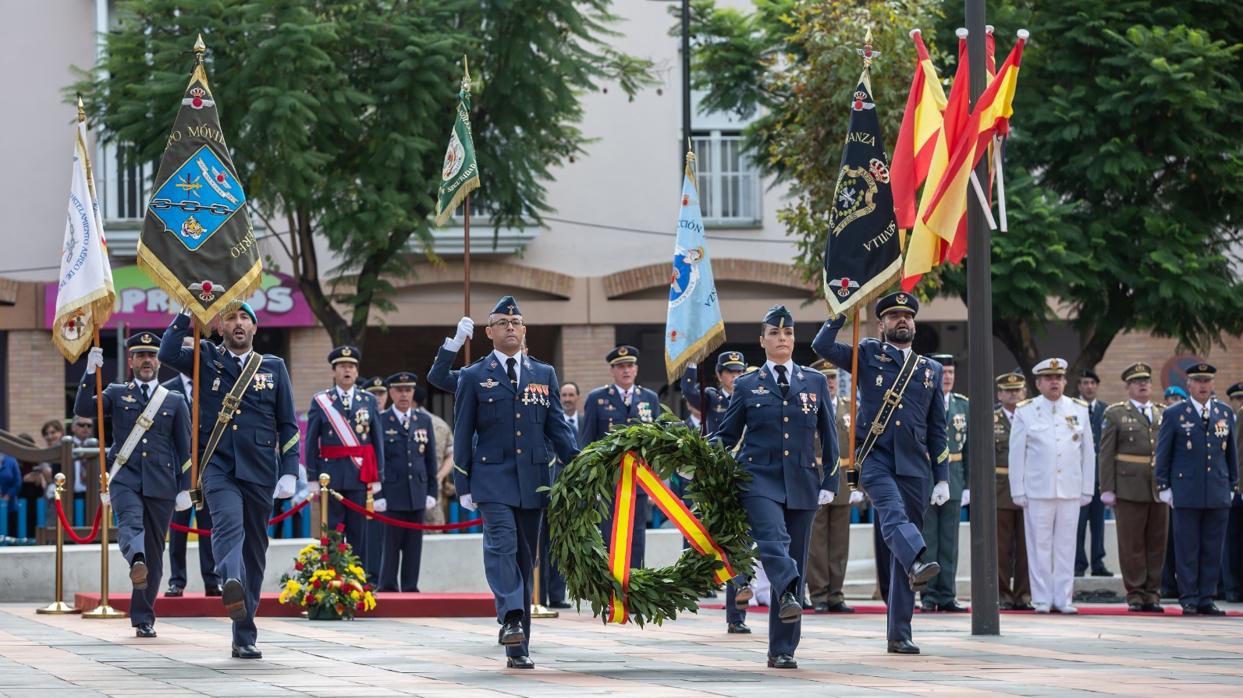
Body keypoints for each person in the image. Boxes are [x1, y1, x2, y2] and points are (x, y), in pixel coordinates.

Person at [159, 301, 300, 659]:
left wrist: (289, 469)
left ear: (255, 327)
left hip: (260, 468)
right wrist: (187, 313)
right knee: (227, 525)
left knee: (255, 549)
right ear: (219, 327)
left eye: (244, 318)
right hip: (217, 463)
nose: (238, 323)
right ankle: (230, 579)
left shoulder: (274, 366)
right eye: (231, 318)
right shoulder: (204, 356)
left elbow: (287, 423)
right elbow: (168, 351)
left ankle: (244, 633)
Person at [812, 292, 947, 655]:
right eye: (893, 316)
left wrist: (943, 476)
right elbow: (821, 344)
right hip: (874, 458)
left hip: (916, 466)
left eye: (907, 316)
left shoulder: (929, 369)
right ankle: (919, 556)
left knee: (900, 550)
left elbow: (937, 429)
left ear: (914, 323)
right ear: (882, 324)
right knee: (892, 514)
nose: (901, 321)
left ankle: (899, 632)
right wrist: (842, 313)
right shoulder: (867, 353)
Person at [452, 295, 579, 669]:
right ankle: (510, 616)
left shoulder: (544, 374)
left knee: (526, 559)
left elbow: (557, 426)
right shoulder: (474, 375)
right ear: (489, 332)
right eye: (502, 322)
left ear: (524, 331)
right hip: (491, 479)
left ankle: (517, 645)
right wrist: (463, 484)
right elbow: (463, 432)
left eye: (516, 322)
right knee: (502, 545)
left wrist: (579, 466)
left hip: (534, 481)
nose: (510, 327)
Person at [715, 305, 836, 669]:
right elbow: (727, 434)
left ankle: (782, 649)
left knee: (795, 557)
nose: (782, 339)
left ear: (793, 338)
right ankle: (787, 593)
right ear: (762, 340)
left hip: (802, 480)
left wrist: (830, 479)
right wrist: (695, 457)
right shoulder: (747, 384)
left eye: (787, 334)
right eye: (774, 333)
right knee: (772, 542)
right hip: (758, 478)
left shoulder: (813, 381)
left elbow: (828, 435)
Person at [75, 332, 192, 638]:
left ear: (158, 361)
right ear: (130, 361)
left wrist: (185, 487)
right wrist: (89, 372)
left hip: (163, 483)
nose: (146, 361)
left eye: (151, 356)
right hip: (124, 477)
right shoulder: (115, 391)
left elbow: (185, 449)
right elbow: (85, 410)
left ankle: (143, 618)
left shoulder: (175, 400)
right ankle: (134, 558)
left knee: (155, 553)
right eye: (140, 356)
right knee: (130, 524)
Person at [1009, 358, 1095, 614]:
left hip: (1070, 487)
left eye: (1058, 378)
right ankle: (1042, 598)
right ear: (1038, 383)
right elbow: (1016, 453)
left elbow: (1087, 452)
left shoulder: (1078, 408)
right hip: (1038, 488)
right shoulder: (1026, 410)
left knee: (1067, 545)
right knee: (1039, 546)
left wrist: (1087, 488)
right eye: (1048, 378)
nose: (1054, 382)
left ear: (1065, 381)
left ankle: (1063, 598)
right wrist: (1018, 489)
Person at [1155, 362, 1238, 615]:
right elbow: (1164, 453)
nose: (1203, 386)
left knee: (1212, 548)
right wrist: (1163, 485)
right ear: (1188, 385)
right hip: (1186, 490)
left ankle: (1206, 597)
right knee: (1187, 548)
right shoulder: (1174, 414)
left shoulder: (1224, 413)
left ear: (1213, 384)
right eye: (1198, 381)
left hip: (1217, 489)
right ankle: (1189, 597)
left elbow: (1231, 452)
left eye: (1207, 381)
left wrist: (1233, 482)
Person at [683, 351, 753, 630]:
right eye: (730, 372)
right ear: (720, 375)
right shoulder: (713, 398)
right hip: (717, 478)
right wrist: (691, 360)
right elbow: (690, 391)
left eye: (739, 372)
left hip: (745, 475)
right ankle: (701, 583)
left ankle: (737, 616)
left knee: (742, 542)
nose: (735, 377)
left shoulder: (753, 394)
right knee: (713, 537)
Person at [581, 345, 662, 568]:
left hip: (639, 480)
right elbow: (588, 443)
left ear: (636, 369)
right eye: (620, 366)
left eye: (630, 366)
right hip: (609, 481)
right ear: (612, 370)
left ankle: (635, 590)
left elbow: (655, 445)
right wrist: (591, 483)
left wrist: (655, 483)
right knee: (611, 536)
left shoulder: (649, 398)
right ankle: (613, 593)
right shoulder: (597, 398)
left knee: (637, 538)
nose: (626, 370)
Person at [305, 346, 386, 567]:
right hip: (328, 476)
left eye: (351, 366)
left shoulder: (368, 400)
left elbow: (376, 440)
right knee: (331, 530)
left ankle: (358, 580)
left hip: (359, 474)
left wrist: (378, 476)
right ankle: (331, 577)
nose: (347, 370)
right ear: (334, 371)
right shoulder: (321, 400)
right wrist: (312, 476)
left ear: (357, 372)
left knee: (359, 531)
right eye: (342, 366)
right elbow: (311, 441)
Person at [1099, 362, 1166, 612]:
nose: (1143, 385)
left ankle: (1153, 593)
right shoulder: (1115, 413)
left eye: (1146, 381)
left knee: (1157, 543)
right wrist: (1107, 487)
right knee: (1132, 544)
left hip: (1157, 487)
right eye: (1137, 382)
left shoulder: (1162, 412)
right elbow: (1106, 454)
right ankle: (1136, 593)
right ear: (1128, 387)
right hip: (1128, 487)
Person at [162, 351, 222, 598]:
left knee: (209, 527)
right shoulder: (167, 389)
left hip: (208, 466)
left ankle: (212, 579)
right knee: (178, 528)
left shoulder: (214, 386)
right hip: (179, 469)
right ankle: (177, 580)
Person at [806, 357, 863, 614]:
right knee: (817, 541)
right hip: (816, 477)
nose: (829, 383)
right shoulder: (809, 407)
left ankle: (835, 594)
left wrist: (856, 485)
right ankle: (818, 593)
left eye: (832, 378)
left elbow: (857, 448)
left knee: (840, 541)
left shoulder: (850, 407)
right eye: (825, 378)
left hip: (842, 479)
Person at [378, 372, 438, 592]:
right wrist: (378, 494)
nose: (404, 394)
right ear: (391, 392)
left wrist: (433, 492)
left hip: (417, 493)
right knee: (390, 546)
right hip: (391, 494)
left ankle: (411, 588)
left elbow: (431, 459)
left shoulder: (423, 420)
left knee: (414, 547)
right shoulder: (382, 420)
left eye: (408, 390)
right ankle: (387, 586)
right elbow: (377, 460)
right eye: (399, 390)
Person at [920, 353, 969, 613]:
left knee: (950, 541)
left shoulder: (963, 405)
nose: (947, 377)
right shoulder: (923, 401)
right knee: (928, 540)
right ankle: (928, 594)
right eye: (943, 373)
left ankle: (947, 593)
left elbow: (969, 448)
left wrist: (969, 484)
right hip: (927, 476)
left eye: (951, 372)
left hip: (955, 478)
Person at [993, 372, 1033, 610]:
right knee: (1001, 547)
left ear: (1025, 393)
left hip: (1030, 486)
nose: (1013, 394)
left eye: (1017, 390)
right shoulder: (991, 419)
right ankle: (1002, 595)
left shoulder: (1033, 417)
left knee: (1027, 547)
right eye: (1008, 391)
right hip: (1000, 488)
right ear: (999, 394)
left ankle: (1024, 595)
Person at [1075, 369, 1111, 578]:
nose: (1089, 386)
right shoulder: (1073, 409)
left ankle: (1098, 562)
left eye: (1092, 383)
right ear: (1079, 386)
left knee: (1099, 524)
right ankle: (1079, 563)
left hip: (1099, 477)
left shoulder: (1106, 410)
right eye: (1085, 382)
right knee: (1078, 524)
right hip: (1078, 477)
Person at [1160, 385, 1187, 598]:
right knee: (1167, 541)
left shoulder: (1191, 421)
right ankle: (1168, 584)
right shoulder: (1166, 419)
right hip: (1169, 489)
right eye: (1170, 398)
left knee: (1187, 542)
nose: (1173, 401)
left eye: (1178, 397)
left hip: (1189, 489)